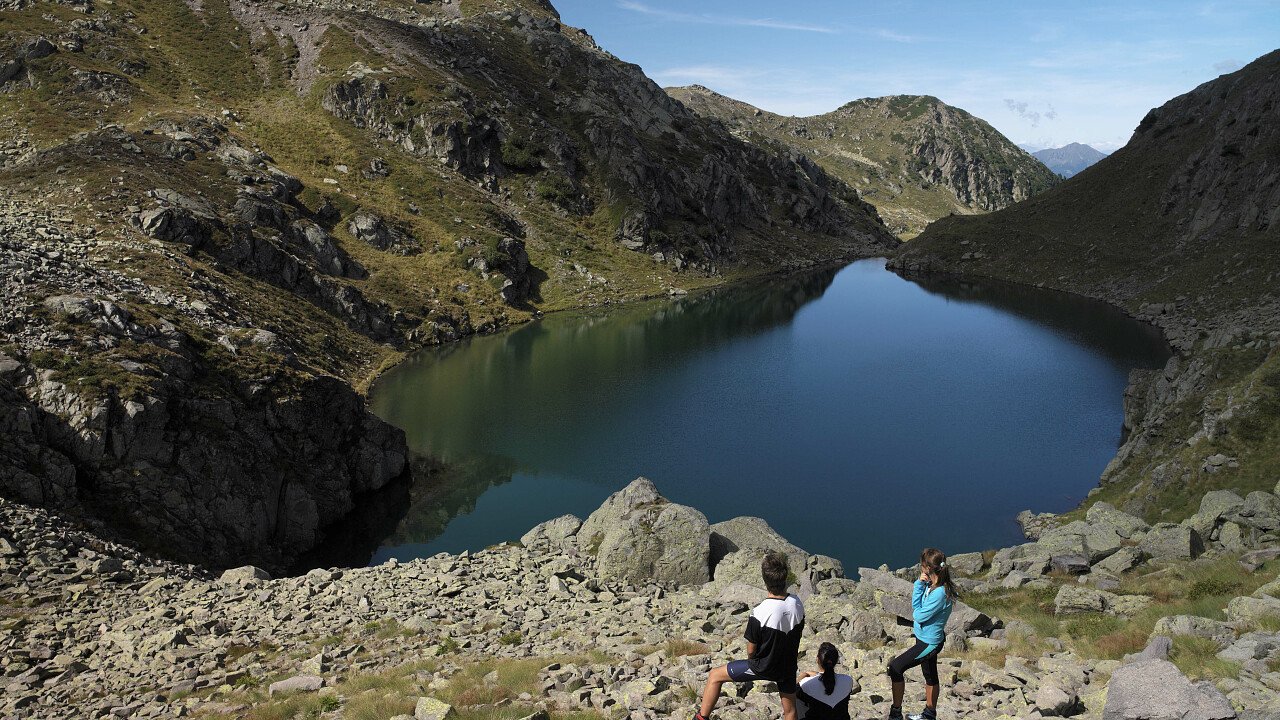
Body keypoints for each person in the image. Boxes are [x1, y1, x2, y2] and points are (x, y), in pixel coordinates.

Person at [693, 551, 806, 720]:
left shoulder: (760, 612)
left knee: (715, 676)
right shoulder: (797, 603)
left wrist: (754, 659)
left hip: (762, 666)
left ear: (765, 580)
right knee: (790, 710)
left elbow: (751, 648)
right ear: (785, 577)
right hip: (787, 667)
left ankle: (701, 718)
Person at [887, 548, 958, 720]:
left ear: (927, 567)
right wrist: (922, 584)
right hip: (925, 638)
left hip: (929, 643)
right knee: (930, 674)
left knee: (895, 668)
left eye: (922, 564)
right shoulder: (934, 585)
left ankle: (896, 713)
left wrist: (918, 585)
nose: (920, 567)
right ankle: (929, 714)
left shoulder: (939, 593)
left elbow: (917, 615)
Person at [796, 642, 854, 720]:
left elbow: (791, 691)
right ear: (836, 661)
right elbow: (828, 682)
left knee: (796, 699)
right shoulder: (848, 680)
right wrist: (818, 675)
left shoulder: (805, 684)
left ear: (817, 659)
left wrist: (803, 675)